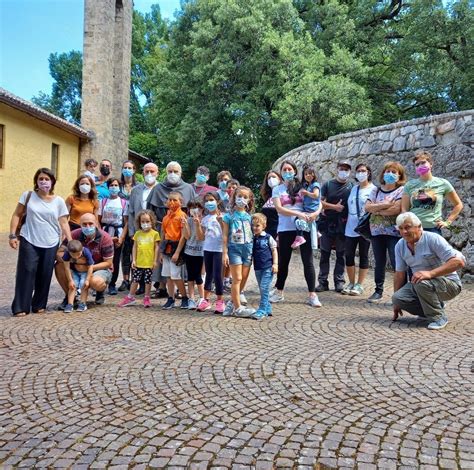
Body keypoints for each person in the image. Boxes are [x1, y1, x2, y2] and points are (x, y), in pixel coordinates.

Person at [9, 168, 71, 317]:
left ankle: (39, 304)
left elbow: (63, 223)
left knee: (45, 273)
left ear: (52, 182)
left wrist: (70, 240)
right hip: (29, 239)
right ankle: (20, 306)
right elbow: (17, 214)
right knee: (27, 271)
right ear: (36, 181)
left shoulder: (59, 201)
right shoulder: (28, 196)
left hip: (50, 241)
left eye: (47, 179)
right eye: (41, 179)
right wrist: (12, 235)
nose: (44, 181)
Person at [392, 212, 465, 330]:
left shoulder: (433, 239)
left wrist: (430, 273)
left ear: (419, 226)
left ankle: (438, 317)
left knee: (420, 281)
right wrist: (396, 304)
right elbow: (400, 274)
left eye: (408, 227)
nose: (404, 232)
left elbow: (458, 262)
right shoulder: (400, 245)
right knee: (398, 298)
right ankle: (432, 309)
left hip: (449, 284)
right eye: (401, 228)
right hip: (421, 284)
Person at [270, 160, 322, 307]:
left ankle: (312, 294)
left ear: (294, 171)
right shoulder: (277, 189)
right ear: (281, 172)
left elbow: (319, 201)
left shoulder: (302, 186)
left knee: (308, 261)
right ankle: (279, 291)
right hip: (285, 228)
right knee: (284, 262)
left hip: (304, 227)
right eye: (284, 170)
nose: (287, 172)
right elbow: (279, 209)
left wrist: (316, 213)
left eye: (290, 169)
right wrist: (297, 213)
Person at [148, 161, 196, 297]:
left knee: (179, 262)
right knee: (162, 261)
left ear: (181, 173)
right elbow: (150, 210)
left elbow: (193, 209)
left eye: (175, 171)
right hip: (161, 227)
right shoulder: (157, 189)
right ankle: (162, 288)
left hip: (181, 230)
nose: (172, 174)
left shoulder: (188, 188)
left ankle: (181, 291)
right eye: (170, 171)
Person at [365, 161, 406, 303]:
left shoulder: (401, 190)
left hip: (394, 233)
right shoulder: (376, 190)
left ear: (399, 175)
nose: (390, 174)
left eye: (394, 172)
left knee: (397, 263)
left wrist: (377, 210)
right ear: (383, 173)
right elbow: (367, 207)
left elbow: (396, 209)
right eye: (388, 171)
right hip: (376, 232)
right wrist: (386, 205)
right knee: (379, 262)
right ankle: (378, 290)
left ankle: (400, 294)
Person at [55, 213, 114, 308]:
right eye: (84, 224)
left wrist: (88, 267)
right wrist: (75, 261)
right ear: (80, 224)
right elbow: (59, 253)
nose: (88, 227)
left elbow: (108, 263)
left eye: (91, 224)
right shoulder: (74, 235)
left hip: (98, 268)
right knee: (59, 265)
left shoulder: (105, 238)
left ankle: (100, 291)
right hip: (77, 266)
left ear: (96, 224)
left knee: (97, 282)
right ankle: (70, 297)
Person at [401, 150, 463, 234]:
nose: (420, 166)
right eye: (417, 165)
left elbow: (458, 205)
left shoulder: (443, 183)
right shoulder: (409, 185)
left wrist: (448, 222)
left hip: (433, 229)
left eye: (423, 163)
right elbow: (404, 209)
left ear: (430, 164)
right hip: (413, 229)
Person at [316, 160, 353, 293]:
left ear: (349, 171)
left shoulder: (352, 186)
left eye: (346, 169)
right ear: (337, 169)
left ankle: (339, 282)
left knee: (341, 254)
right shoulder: (328, 184)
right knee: (325, 253)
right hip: (327, 223)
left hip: (343, 224)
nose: (344, 171)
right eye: (341, 168)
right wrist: (334, 207)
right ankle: (322, 281)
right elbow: (319, 202)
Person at [342, 163, 376, 296]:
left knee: (363, 255)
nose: (360, 173)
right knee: (349, 255)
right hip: (350, 227)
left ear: (368, 173)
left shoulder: (373, 189)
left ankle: (359, 284)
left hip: (364, 227)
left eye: (363, 171)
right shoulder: (353, 189)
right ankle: (351, 282)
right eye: (358, 171)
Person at [222, 186, 256, 317]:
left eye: (245, 197)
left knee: (244, 278)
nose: (242, 199)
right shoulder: (228, 216)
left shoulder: (249, 217)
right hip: (234, 249)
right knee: (237, 278)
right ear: (234, 197)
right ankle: (238, 308)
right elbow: (224, 236)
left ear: (249, 200)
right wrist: (224, 253)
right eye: (239, 196)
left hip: (247, 249)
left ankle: (232, 302)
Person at [127, 162, 159, 295]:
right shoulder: (135, 190)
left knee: (155, 256)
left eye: (152, 171)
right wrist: (131, 231)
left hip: (155, 230)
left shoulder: (161, 188)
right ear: (142, 173)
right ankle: (141, 285)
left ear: (157, 173)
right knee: (140, 255)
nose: (149, 174)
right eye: (147, 171)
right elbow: (131, 212)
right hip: (139, 230)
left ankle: (157, 284)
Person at [118, 210, 160, 308]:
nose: (145, 224)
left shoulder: (155, 234)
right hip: (138, 262)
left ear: (152, 222)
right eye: (143, 222)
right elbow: (134, 247)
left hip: (149, 262)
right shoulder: (137, 234)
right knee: (135, 280)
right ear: (139, 222)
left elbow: (156, 247)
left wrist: (155, 260)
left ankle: (146, 298)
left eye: (147, 221)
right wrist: (134, 259)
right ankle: (130, 297)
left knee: (147, 281)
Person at [98, 177, 129, 295]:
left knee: (115, 260)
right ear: (108, 187)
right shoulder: (103, 202)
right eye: (111, 185)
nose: (114, 187)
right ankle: (100, 284)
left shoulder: (124, 202)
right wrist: (100, 235)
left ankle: (112, 284)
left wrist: (121, 238)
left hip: (118, 232)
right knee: (102, 258)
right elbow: (99, 220)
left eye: (116, 185)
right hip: (105, 232)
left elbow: (126, 222)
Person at [196, 191, 225, 312]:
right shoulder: (205, 219)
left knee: (218, 275)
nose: (209, 203)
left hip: (219, 250)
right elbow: (201, 237)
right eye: (207, 201)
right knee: (208, 274)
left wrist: (221, 222)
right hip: (207, 249)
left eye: (211, 200)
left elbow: (226, 234)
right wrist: (198, 224)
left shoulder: (224, 216)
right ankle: (206, 300)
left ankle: (220, 300)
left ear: (217, 201)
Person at [174, 199, 205, 310]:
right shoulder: (188, 220)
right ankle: (191, 298)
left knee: (199, 277)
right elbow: (186, 236)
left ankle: (202, 298)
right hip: (189, 252)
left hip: (200, 252)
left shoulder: (204, 220)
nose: (194, 210)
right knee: (190, 276)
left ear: (202, 209)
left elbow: (201, 237)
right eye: (191, 208)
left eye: (196, 207)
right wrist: (186, 225)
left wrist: (198, 225)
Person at [160, 191, 189, 309]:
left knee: (176, 275)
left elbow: (183, 236)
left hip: (176, 247)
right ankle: (170, 298)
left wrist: (177, 252)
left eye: (175, 200)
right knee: (168, 275)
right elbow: (163, 233)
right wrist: (160, 253)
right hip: (166, 247)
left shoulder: (182, 216)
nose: (172, 202)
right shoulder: (166, 217)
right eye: (170, 200)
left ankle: (184, 297)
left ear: (181, 202)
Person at [251, 213, 278, 321]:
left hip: (267, 267)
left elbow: (274, 250)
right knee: (263, 289)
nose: (254, 228)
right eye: (253, 225)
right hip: (257, 268)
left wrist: (275, 264)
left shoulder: (268, 238)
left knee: (263, 288)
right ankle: (268, 307)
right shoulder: (252, 238)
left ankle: (262, 310)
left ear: (263, 226)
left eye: (257, 225)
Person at [117, 160, 138, 292]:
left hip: (135, 223)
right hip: (120, 223)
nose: (127, 170)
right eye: (125, 167)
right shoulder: (117, 186)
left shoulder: (138, 187)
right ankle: (125, 280)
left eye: (129, 168)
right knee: (125, 254)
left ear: (134, 170)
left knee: (136, 253)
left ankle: (136, 280)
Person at [292, 164, 321, 250]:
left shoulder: (315, 184)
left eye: (310, 173)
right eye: (306, 174)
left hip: (311, 210)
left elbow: (316, 195)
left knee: (298, 219)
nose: (308, 175)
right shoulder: (306, 185)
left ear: (314, 174)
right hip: (308, 209)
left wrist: (307, 193)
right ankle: (315, 232)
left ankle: (300, 236)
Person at [62, 239, 94, 313]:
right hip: (74, 271)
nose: (76, 257)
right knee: (73, 285)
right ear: (69, 252)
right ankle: (70, 304)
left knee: (83, 285)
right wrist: (70, 280)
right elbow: (66, 268)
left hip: (85, 271)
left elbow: (90, 267)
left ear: (82, 249)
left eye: (78, 254)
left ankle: (83, 303)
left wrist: (87, 280)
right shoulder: (66, 254)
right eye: (73, 256)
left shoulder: (86, 252)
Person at [260, 170, 281, 240]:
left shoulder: (283, 195)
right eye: (269, 178)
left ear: (279, 179)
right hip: (267, 234)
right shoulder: (267, 197)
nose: (271, 179)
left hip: (279, 233)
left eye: (273, 177)